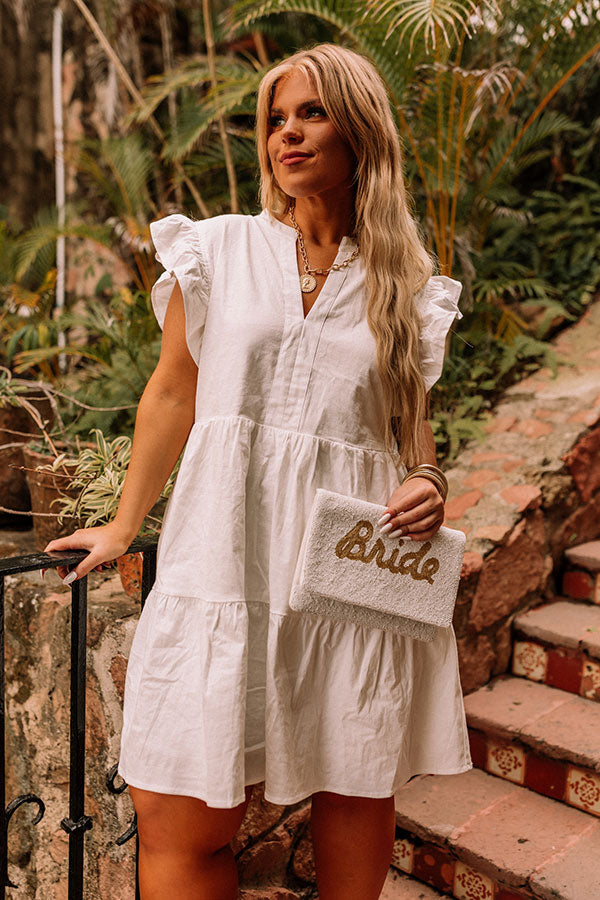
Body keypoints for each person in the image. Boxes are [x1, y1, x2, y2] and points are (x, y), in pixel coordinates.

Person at [43, 43, 472, 900]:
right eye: (275, 118)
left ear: (361, 129)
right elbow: (172, 393)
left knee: (354, 786)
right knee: (176, 824)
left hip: (345, 577)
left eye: (310, 112)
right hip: (221, 558)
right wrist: (127, 523)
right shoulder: (221, 249)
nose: (287, 133)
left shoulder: (406, 284)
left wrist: (428, 480)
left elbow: (412, 434)